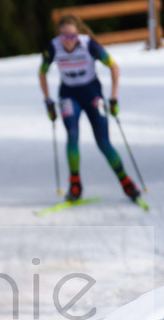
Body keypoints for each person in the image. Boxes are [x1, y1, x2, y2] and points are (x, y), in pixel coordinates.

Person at [38, 14, 141, 204]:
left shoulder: (88, 44)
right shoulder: (53, 47)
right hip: (69, 95)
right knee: (72, 134)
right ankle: (75, 184)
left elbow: (113, 66)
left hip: (92, 94)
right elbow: (42, 72)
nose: (68, 40)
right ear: (59, 36)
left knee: (103, 142)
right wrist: (48, 100)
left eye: (72, 36)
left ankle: (126, 182)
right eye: (64, 36)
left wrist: (114, 97)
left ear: (78, 33)